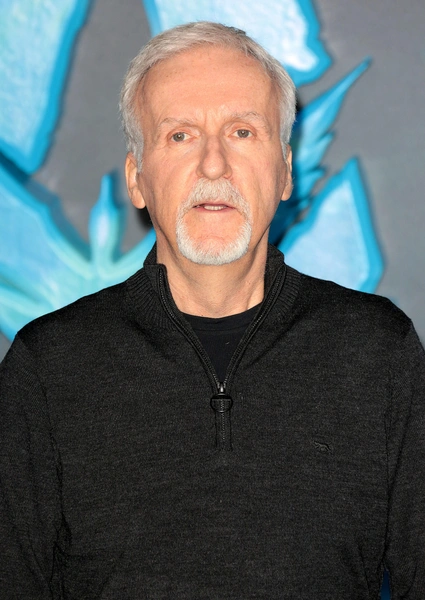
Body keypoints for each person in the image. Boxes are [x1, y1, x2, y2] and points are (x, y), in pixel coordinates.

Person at [0, 21, 424, 599]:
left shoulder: (378, 351)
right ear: (137, 178)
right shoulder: (49, 366)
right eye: (180, 136)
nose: (214, 165)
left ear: (285, 170)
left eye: (242, 132)